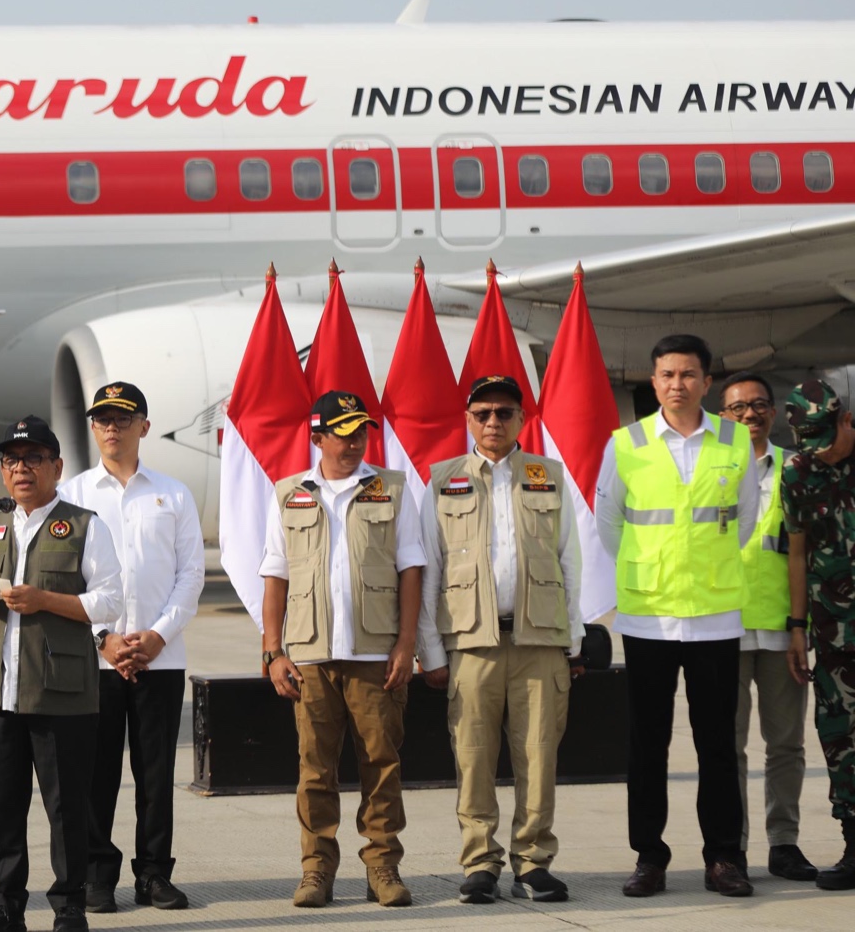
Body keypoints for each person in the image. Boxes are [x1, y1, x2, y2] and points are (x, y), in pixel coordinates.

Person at [596, 334, 757, 898]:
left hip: (714, 615)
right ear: (654, 380)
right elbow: (609, 522)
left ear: (707, 382)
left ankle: (724, 858)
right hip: (648, 619)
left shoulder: (736, 441)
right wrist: (650, 572)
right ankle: (650, 857)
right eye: (666, 375)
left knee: (718, 744)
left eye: (688, 375)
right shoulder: (626, 443)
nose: (677, 385)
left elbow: (744, 521)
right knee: (648, 744)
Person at [258, 391, 428, 910]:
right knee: (315, 769)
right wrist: (273, 650)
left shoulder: (391, 489)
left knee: (381, 762)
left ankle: (382, 865)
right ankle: (316, 872)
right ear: (317, 437)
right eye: (343, 432)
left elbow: (411, 568)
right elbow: (275, 575)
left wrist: (406, 644)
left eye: (361, 432)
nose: (354, 442)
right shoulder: (289, 493)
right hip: (309, 656)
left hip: (374, 654)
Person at [419, 375, 584, 904]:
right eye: (483, 413)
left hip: (539, 640)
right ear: (468, 419)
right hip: (471, 643)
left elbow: (570, 560)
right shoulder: (443, 480)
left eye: (505, 413)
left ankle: (534, 862)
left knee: (539, 756)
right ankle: (480, 862)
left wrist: (574, 638)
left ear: (521, 419)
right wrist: (431, 648)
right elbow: (429, 569)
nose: (494, 422)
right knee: (473, 757)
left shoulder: (547, 475)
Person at [0, 416, 123, 932]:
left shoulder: (83, 524)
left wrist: (44, 600)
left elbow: (111, 600)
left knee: (66, 806)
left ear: (57, 466)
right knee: (3, 806)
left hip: (61, 690)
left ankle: (70, 905)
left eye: (32, 458)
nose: (21, 469)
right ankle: (5, 905)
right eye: (11, 460)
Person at [58, 382, 204, 914]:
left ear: (144, 426)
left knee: (156, 773)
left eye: (123, 418)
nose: (112, 427)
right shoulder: (73, 495)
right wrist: (104, 639)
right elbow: (66, 578)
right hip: (96, 658)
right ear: (94, 428)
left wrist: (159, 633)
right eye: (103, 419)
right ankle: (98, 874)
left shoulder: (173, 493)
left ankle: (154, 874)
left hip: (159, 656)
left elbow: (191, 573)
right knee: (95, 773)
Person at [717, 372, 817, 880]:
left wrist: (800, 626)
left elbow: (802, 553)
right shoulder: (708, 472)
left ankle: (784, 843)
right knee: (727, 747)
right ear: (722, 416)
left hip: (782, 631)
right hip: (723, 629)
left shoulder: (795, 469)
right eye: (737, 409)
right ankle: (731, 847)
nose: (749, 415)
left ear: (774, 413)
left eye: (758, 406)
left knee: (786, 745)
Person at [782, 378, 855, 889]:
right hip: (833, 631)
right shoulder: (798, 472)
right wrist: (796, 626)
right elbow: (799, 552)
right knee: (840, 739)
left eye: (828, 435)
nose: (823, 448)